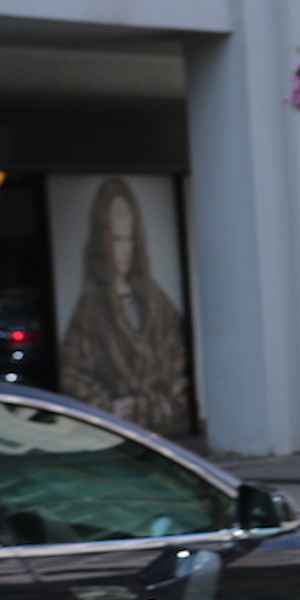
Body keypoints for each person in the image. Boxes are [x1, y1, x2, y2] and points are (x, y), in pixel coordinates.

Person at [61, 177, 192, 436]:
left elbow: (181, 365)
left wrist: (155, 405)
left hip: (167, 429)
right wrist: (108, 406)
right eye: (116, 239)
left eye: (129, 239)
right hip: (117, 434)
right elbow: (72, 374)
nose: (123, 250)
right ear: (103, 241)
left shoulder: (157, 301)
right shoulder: (90, 308)